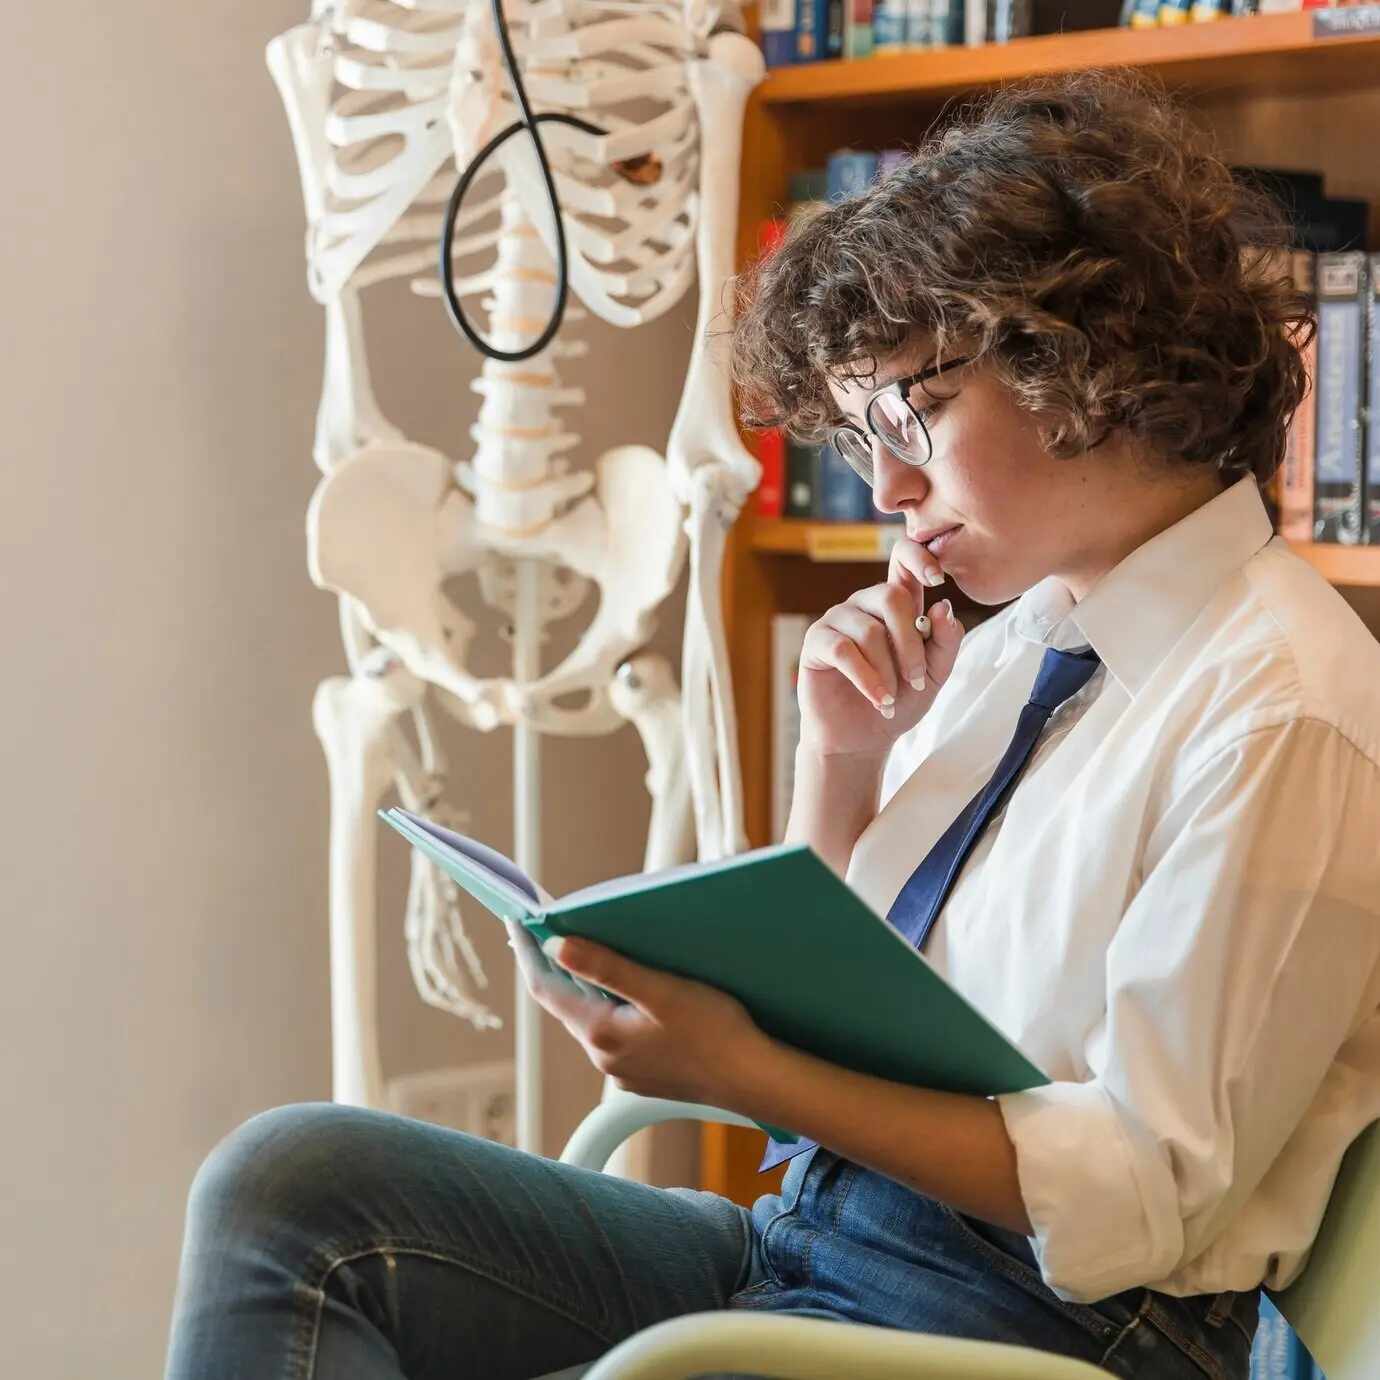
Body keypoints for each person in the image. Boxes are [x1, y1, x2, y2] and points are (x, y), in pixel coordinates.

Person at [164, 71, 1380, 1380]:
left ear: (1089, 347)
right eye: (864, 438)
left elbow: (1143, 1192)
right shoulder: (1027, 641)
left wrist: (746, 1077)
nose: (891, 488)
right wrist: (842, 767)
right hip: (812, 1243)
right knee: (294, 1186)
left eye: (913, 414)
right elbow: (840, 1000)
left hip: (1031, 1332)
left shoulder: (1285, 707)